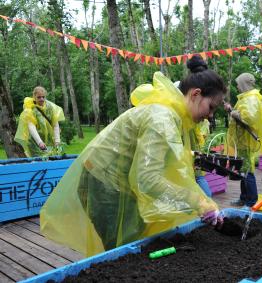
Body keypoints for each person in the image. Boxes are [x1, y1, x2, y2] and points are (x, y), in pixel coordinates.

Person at [40, 55, 227, 256]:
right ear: (196, 94)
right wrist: (197, 201)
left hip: (113, 182)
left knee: (134, 239)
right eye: (211, 107)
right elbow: (147, 179)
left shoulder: (168, 111)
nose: (210, 115)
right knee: (125, 251)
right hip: (103, 184)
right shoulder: (162, 119)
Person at [226, 73, 262, 207]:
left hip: (247, 142)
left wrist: (234, 113)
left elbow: (250, 119)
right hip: (243, 141)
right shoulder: (246, 98)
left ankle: (251, 201)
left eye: (238, 83)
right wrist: (232, 111)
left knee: (248, 172)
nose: (237, 86)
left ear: (243, 83)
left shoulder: (251, 98)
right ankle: (244, 198)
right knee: (243, 170)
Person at [14, 86, 65, 157]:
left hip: (50, 141)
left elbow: (55, 124)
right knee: (39, 162)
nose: (41, 99)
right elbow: (31, 127)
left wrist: (57, 141)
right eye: (39, 97)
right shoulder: (30, 109)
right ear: (34, 96)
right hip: (34, 142)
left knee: (51, 160)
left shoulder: (50, 107)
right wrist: (39, 142)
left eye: (43, 97)